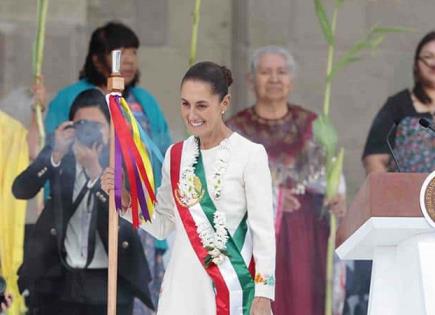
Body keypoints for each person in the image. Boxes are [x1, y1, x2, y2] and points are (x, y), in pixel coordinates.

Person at [102, 61, 276, 314]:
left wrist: (263, 294)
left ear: (224, 104)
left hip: (235, 289)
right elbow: (162, 225)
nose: (192, 114)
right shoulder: (176, 155)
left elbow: (264, 232)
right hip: (182, 288)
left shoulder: (250, 154)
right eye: (185, 104)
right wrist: (126, 201)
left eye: (202, 105)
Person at [31, 21, 172, 313]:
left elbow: (162, 158)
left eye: (134, 51)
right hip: (79, 218)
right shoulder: (70, 98)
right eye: (121, 51)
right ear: (97, 58)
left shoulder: (144, 102)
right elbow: (47, 152)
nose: (130, 59)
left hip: (134, 215)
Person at [226, 46, 347, 315]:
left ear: (291, 80)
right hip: (255, 236)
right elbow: (225, 186)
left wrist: (336, 197)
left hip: (306, 233)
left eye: (281, 72)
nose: (274, 79)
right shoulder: (235, 130)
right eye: (265, 72)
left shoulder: (313, 124)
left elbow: (332, 176)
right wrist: (273, 198)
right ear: (250, 80)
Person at [12, 89, 154, 315]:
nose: (88, 133)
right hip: (60, 282)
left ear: (110, 129)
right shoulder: (59, 155)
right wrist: (55, 154)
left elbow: (128, 219)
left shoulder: (123, 162)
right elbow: (20, 190)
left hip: (109, 283)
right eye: (81, 125)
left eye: (96, 126)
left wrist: (95, 171)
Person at [363, 31, 435, 173]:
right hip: (408, 193)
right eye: (428, 57)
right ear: (416, 64)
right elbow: (374, 159)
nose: (434, 64)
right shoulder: (397, 105)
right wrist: (389, 192)